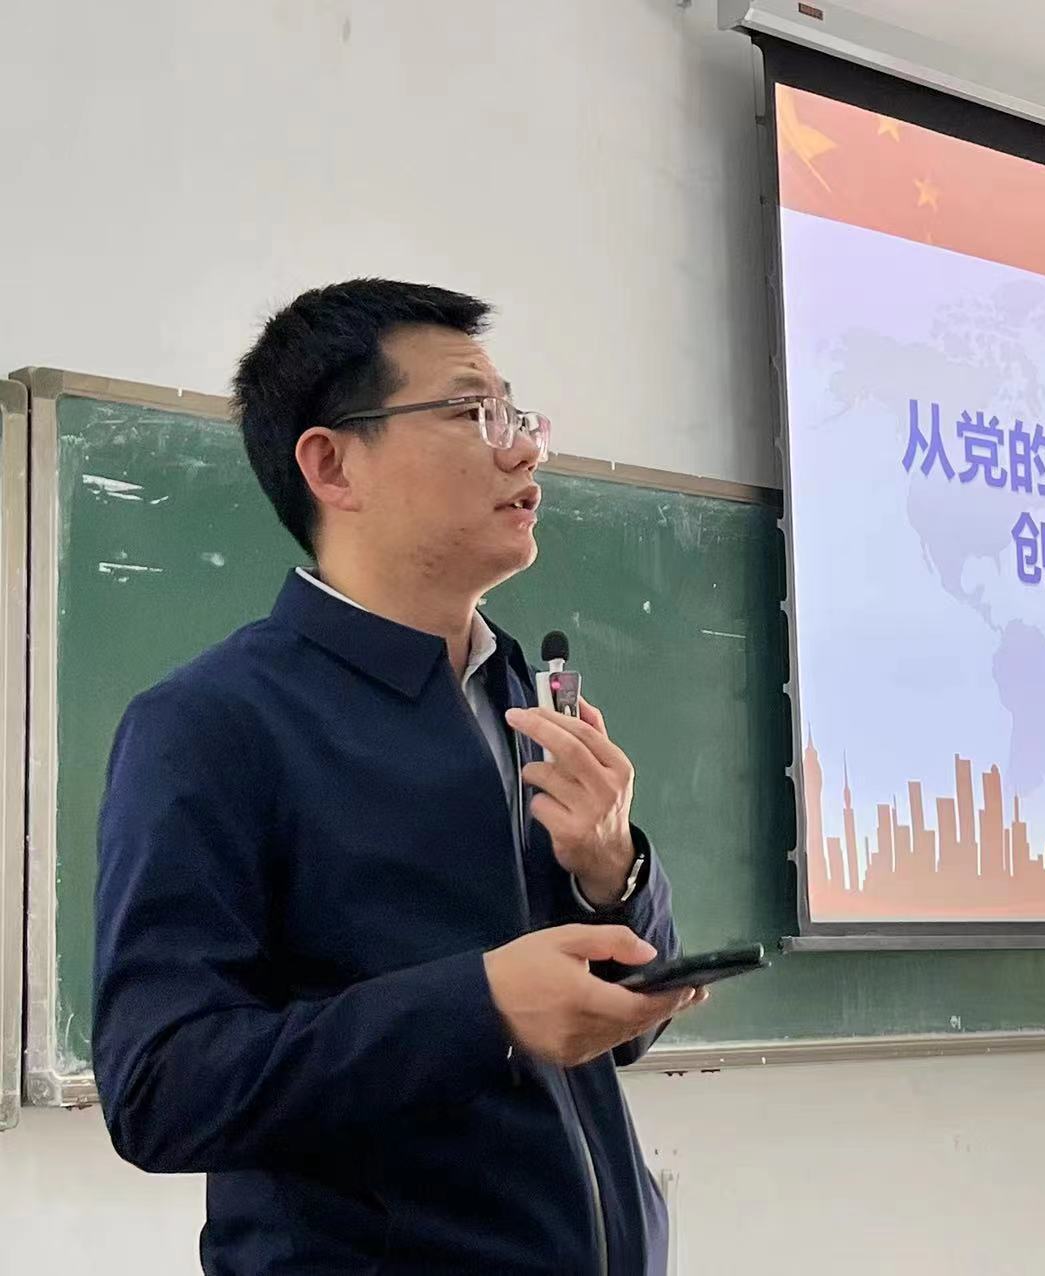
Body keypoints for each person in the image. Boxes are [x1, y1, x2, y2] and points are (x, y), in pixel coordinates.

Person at [92, 279, 698, 1275]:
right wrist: (484, 1007)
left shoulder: (520, 695)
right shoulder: (211, 724)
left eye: (518, 415)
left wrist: (613, 872)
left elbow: (616, 1032)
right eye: (473, 413)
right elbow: (161, 1088)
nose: (525, 450)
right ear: (332, 464)